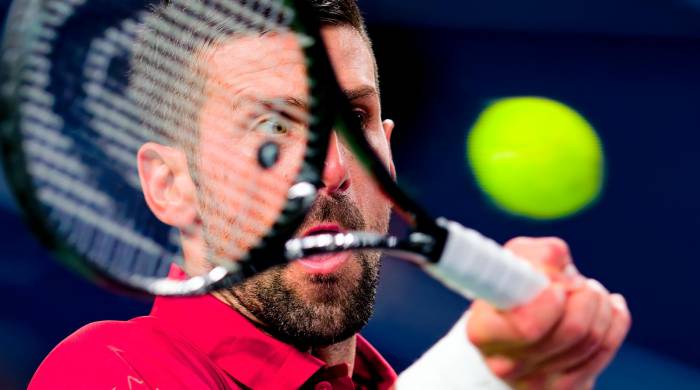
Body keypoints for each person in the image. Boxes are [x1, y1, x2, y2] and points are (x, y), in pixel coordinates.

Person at [29, 0, 631, 389]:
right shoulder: (105, 370)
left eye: (355, 119)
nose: (335, 167)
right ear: (171, 185)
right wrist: (478, 371)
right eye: (272, 130)